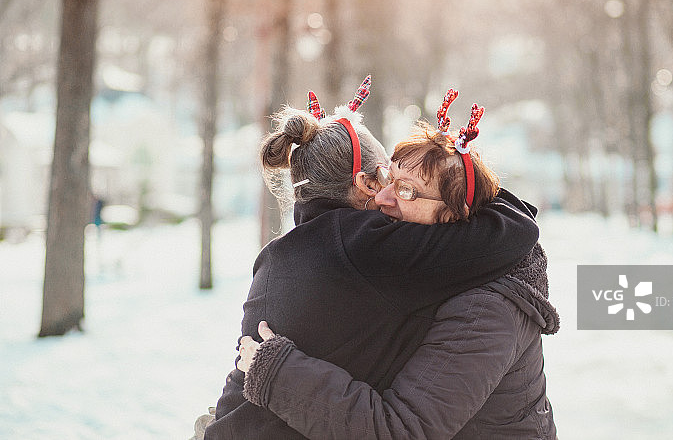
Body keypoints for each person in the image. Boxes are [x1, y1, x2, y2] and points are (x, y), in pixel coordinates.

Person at [203, 81, 541, 439]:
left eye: (405, 187)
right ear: (365, 183)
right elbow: (515, 231)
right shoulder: (367, 244)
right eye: (387, 177)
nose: (386, 197)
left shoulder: (280, 254)